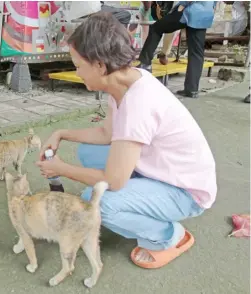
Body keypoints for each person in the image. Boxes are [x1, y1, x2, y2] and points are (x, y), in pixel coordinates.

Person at [36, 12, 217, 269]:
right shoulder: (125, 80)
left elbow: (114, 180)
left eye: (78, 65)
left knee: (100, 201)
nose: (77, 72)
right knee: (89, 152)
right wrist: (61, 134)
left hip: (186, 192)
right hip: (163, 170)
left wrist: (60, 169)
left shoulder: (138, 104)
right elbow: (106, 134)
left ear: (99, 65)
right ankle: (142, 199)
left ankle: (169, 236)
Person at [137, 1, 216, 98]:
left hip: (190, 11)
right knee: (196, 52)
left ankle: (145, 63)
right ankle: (192, 89)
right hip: (205, 14)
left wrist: (183, 4)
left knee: (156, 28)